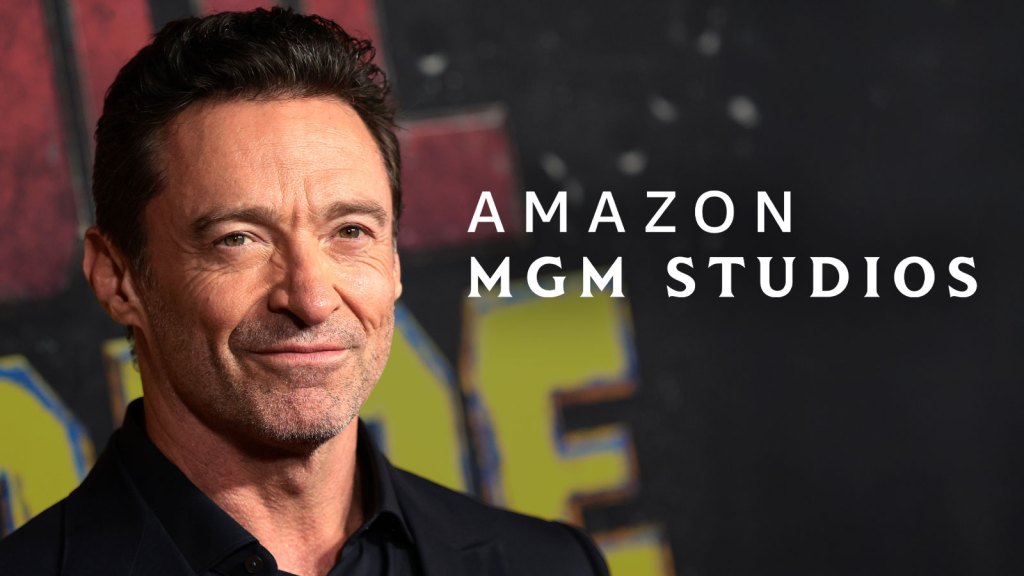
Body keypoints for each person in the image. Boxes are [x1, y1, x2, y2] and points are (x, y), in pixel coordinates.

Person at [0, 8, 608, 576]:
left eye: (350, 232)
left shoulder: (548, 565)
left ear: (395, 262)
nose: (311, 299)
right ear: (117, 278)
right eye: (238, 239)